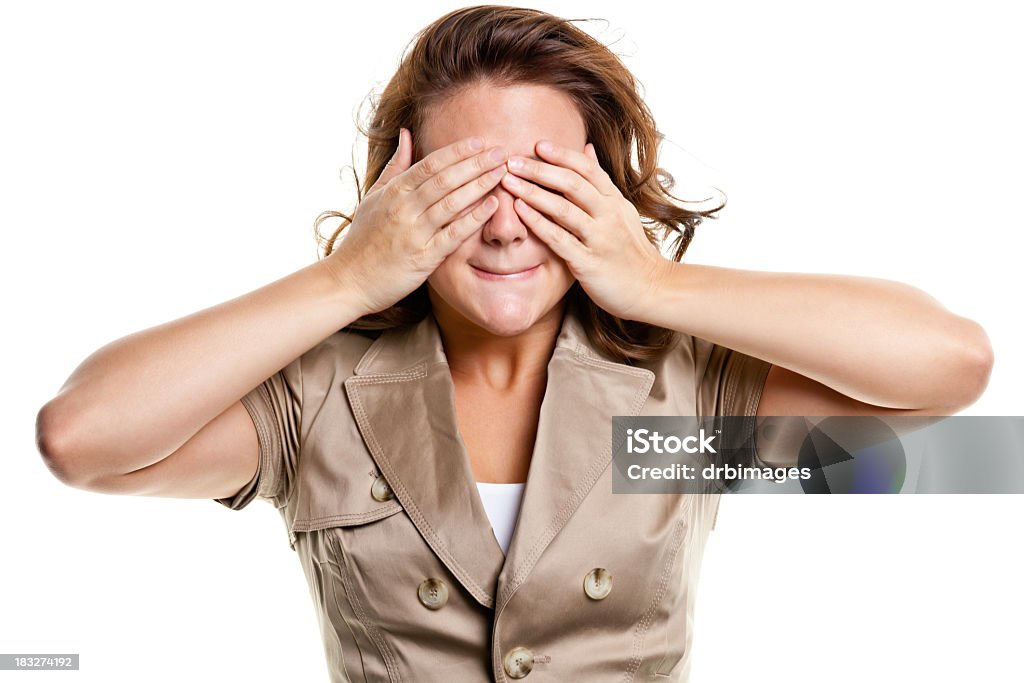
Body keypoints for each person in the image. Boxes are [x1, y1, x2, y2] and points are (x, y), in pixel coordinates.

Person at [34, 5, 993, 682]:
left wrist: (655, 282)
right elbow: (82, 438)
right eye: (462, 187)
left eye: (542, 187)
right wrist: (349, 277)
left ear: (602, 193)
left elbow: (951, 367)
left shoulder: (679, 403)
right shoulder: (321, 398)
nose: (503, 228)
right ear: (398, 194)